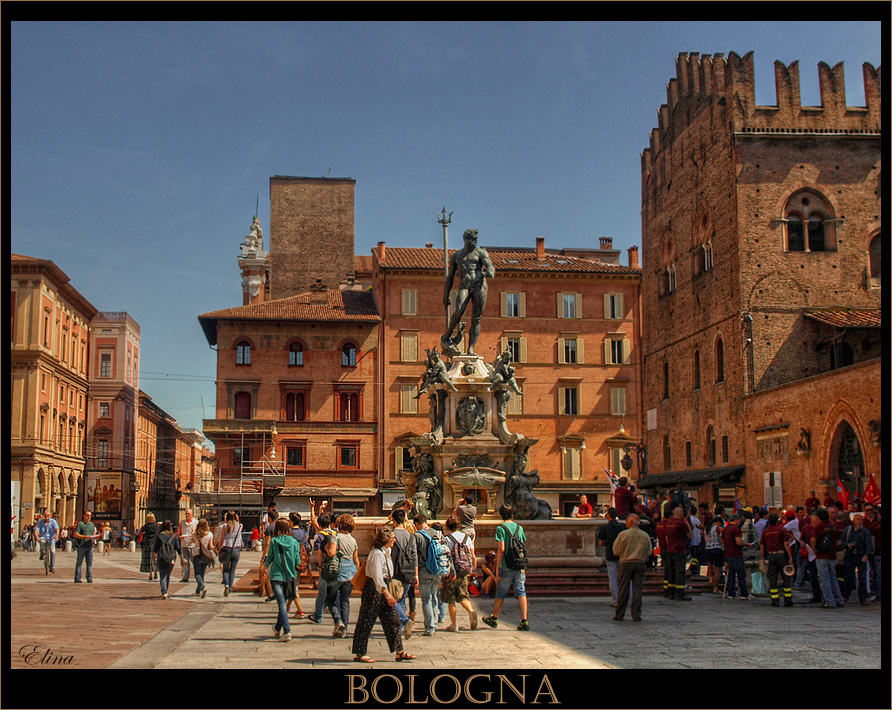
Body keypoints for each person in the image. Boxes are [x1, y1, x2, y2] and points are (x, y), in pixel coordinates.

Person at [351, 526, 414, 663]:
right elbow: (376, 576)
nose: (394, 540)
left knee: (393, 620)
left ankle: (399, 651)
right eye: (392, 538)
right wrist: (387, 594)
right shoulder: (376, 554)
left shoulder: (386, 551)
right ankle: (360, 653)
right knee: (366, 620)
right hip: (374, 589)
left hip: (383, 587)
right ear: (385, 539)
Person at [442, 228, 495, 355]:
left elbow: (490, 265)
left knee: (476, 318)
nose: (474, 242)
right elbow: (450, 277)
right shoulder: (456, 256)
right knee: (459, 310)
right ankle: (447, 334)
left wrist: (491, 271)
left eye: (476, 239)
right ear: (465, 240)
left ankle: (471, 348)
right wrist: (446, 294)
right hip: (464, 286)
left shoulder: (481, 253)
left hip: (479, 285)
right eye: (472, 240)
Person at [482, 504, 529, 631]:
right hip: (518, 565)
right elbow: (522, 545)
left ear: (501, 514)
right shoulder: (519, 527)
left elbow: (501, 549)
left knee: (501, 593)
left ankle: (494, 618)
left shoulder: (501, 528)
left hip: (506, 565)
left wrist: (497, 567)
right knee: (521, 591)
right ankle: (524, 620)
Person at [260, 518, 300, 642]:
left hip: (276, 576)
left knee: (281, 603)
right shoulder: (294, 542)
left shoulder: (274, 541)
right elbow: (297, 561)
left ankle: (287, 631)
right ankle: (277, 629)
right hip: (290, 576)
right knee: (282, 603)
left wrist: (264, 567)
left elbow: (270, 558)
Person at [611, 514, 653, 622]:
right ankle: (636, 615)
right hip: (639, 563)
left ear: (629, 522)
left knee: (623, 589)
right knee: (637, 589)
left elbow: (616, 551)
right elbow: (649, 551)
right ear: (638, 523)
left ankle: (619, 615)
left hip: (626, 563)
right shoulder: (644, 535)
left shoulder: (623, 534)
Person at [324, 513, 360, 638]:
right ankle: (344, 629)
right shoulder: (353, 540)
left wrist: (327, 549)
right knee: (345, 601)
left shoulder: (336, 538)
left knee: (330, 599)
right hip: (350, 573)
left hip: (337, 572)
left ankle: (338, 621)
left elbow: (332, 553)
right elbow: (356, 560)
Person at [442, 514, 477, 632]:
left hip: (451, 573)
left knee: (451, 599)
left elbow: (445, 557)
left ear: (448, 526)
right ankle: (471, 612)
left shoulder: (447, 539)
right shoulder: (467, 538)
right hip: (463, 571)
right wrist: (473, 570)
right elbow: (473, 555)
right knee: (463, 595)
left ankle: (454, 624)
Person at [413, 513, 445, 636]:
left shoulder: (417, 536)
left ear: (416, 524)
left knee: (426, 599)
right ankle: (435, 622)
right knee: (434, 595)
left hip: (423, 570)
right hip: (437, 569)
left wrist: (415, 575)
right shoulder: (438, 533)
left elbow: (414, 556)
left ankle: (430, 627)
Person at [390, 509, 420, 638]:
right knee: (401, 599)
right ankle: (401, 628)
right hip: (409, 571)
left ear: (394, 520)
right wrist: (416, 575)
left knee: (394, 600)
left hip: (395, 571)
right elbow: (414, 556)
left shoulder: (391, 534)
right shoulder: (411, 536)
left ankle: (405, 621)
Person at [811, 508, 845, 609]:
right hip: (832, 555)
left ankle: (829, 601)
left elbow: (813, 540)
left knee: (824, 579)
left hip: (821, 555)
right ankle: (839, 600)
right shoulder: (832, 527)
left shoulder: (819, 527)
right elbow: (839, 540)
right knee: (833, 578)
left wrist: (814, 549)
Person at [759, 512, 795, 607]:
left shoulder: (765, 532)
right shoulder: (781, 530)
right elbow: (786, 544)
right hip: (781, 555)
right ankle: (788, 600)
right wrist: (790, 557)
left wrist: (762, 558)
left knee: (773, 579)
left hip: (771, 556)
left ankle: (774, 600)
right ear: (777, 520)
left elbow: (762, 546)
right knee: (786, 577)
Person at [841, 513, 873, 604]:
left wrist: (866, 555)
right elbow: (842, 541)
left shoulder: (865, 532)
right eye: (858, 519)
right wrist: (848, 545)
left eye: (861, 520)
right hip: (850, 556)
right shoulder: (848, 530)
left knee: (862, 578)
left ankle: (862, 598)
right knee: (849, 577)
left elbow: (869, 545)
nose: (860, 521)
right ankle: (846, 594)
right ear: (854, 520)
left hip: (861, 555)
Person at [597, 507, 625, 606]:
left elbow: (600, 543)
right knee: (625, 577)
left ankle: (615, 600)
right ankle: (628, 598)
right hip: (622, 554)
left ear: (608, 515)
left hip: (610, 554)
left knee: (612, 578)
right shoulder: (623, 526)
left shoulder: (604, 528)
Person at [663, 505, 693, 601]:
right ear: (681, 514)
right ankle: (680, 593)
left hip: (670, 550)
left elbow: (666, 537)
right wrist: (688, 525)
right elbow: (690, 536)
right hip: (679, 550)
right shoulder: (681, 524)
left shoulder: (668, 523)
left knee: (671, 571)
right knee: (680, 572)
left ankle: (671, 593)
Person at [722, 513, 753, 600]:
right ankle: (744, 594)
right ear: (736, 520)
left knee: (731, 575)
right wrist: (746, 544)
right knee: (741, 575)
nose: (740, 522)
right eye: (739, 520)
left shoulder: (726, 529)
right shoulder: (736, 529)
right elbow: (738, 542)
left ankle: (731, 593)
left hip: (728, 554)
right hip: (736, 554)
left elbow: (722, 539)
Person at [215, 510, 243, 597]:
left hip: (226, 548)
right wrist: (236, 518)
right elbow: (238, 522)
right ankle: (230, 589)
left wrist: (219, 549)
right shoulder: (240, 526)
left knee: (225, 569)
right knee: (233, 570)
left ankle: (226, 584)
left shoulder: (225, 526)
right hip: (236, 549)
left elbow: (221, 539)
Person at [153, 520, 181, 599]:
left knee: (162, 575)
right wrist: (181, 558)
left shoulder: (159, 536)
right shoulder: (173, 536)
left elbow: (155, 548)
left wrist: (155, 555)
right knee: (167, 575)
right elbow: (178, 548)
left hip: (161, 557)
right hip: (171, 558)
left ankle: (164, 591)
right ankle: (165, 590)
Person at [73, 510, 100, 583]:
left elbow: (93, 533)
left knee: (89, 562)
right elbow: (76, 534)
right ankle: (77, 578)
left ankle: (89, 577)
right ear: (84, 516)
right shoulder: (80, 524)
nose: (89, 517)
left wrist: (96, 536)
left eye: (90, 516)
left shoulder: (92, 524)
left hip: (90, 546)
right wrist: (85, 537)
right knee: (79, 562)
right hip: (81, 545)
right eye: (87, 515)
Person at [862, 503, 881, 603]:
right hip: (871, 550)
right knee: (872, 571)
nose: (870, 512)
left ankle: (878, 594)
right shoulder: (864, 521)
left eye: (871, 510)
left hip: (876, 551)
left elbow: (873, 538)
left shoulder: (875, 524)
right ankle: (872, 590)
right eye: (868, 510)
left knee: (878, 573)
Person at [191, 518, 214, 598]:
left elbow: (194, 541)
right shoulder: (210, 534)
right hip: (205, 555)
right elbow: (210, 546)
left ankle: (202, 587)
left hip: (197, 554)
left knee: (197, 574)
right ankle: (198, 590)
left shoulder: (195, 533)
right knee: (202, 573)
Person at [258, 510, 277, 601]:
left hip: (271, 553)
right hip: (280, 553)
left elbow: (267, 543)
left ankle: (271, 592)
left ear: (269, 518)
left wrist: (264, 555)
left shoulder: (269, 528)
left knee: (265, 573)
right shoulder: (281, 525)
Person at [704, 512, 725, 593]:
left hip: (708, 548)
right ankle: (716, 588)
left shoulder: (707, 528)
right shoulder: (718, 528)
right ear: (719, 522)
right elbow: (724, 533)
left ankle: (711, 579)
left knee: (710, 564)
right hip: (716, 548)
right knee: (717, 569)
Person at [176, 509, 197, 583]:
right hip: (184, 544)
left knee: (195, 561)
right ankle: (185, 577)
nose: (187, 515)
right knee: (185, 562)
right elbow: (178, 533)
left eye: (188, 514)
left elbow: (198, 534)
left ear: (192, 514)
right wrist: (180, 537)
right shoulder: (182, 523)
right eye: (186, 514)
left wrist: (194, 535)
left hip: (192, 545)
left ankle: (197, 576)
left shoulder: (196, 523)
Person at [139, 513, 160, 581]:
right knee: (155, 558)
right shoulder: (157, 526)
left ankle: (150, 574)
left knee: (149, 559)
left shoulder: (146, 527)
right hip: (155, 543)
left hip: (148, 544)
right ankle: (156, 573)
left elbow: (144, 535)